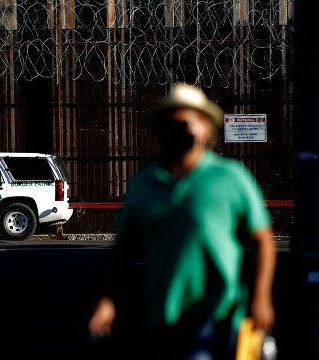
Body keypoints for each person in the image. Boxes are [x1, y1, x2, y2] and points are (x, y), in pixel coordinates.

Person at [87, 83, 277, 359]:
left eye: (186, 121)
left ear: (206, 128)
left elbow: (262, 239)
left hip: (219, 313)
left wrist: (261, 298)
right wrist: (107, 301)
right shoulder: (145, 185)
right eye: (171, 122)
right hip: (164, 315)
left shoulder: (230, 178)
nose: (179, 129)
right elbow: (124, 248)